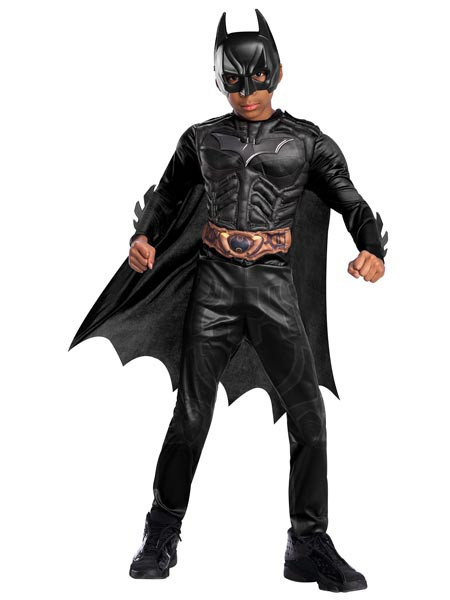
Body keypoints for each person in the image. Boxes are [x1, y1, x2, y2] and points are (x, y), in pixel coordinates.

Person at [69, 9, 387, 592]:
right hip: (213, 285)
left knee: (309, 416)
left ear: (279, 72)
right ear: (218, 79)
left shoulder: (308, 142)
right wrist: (145, 238)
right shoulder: (201, 139)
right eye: (234, 80)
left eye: (258, 78)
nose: (247, 91)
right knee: (192, 414)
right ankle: (161, 530)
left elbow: (352, 202)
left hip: (273, 285)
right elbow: (167, 196)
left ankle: (307, 543)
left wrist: (371, 247)